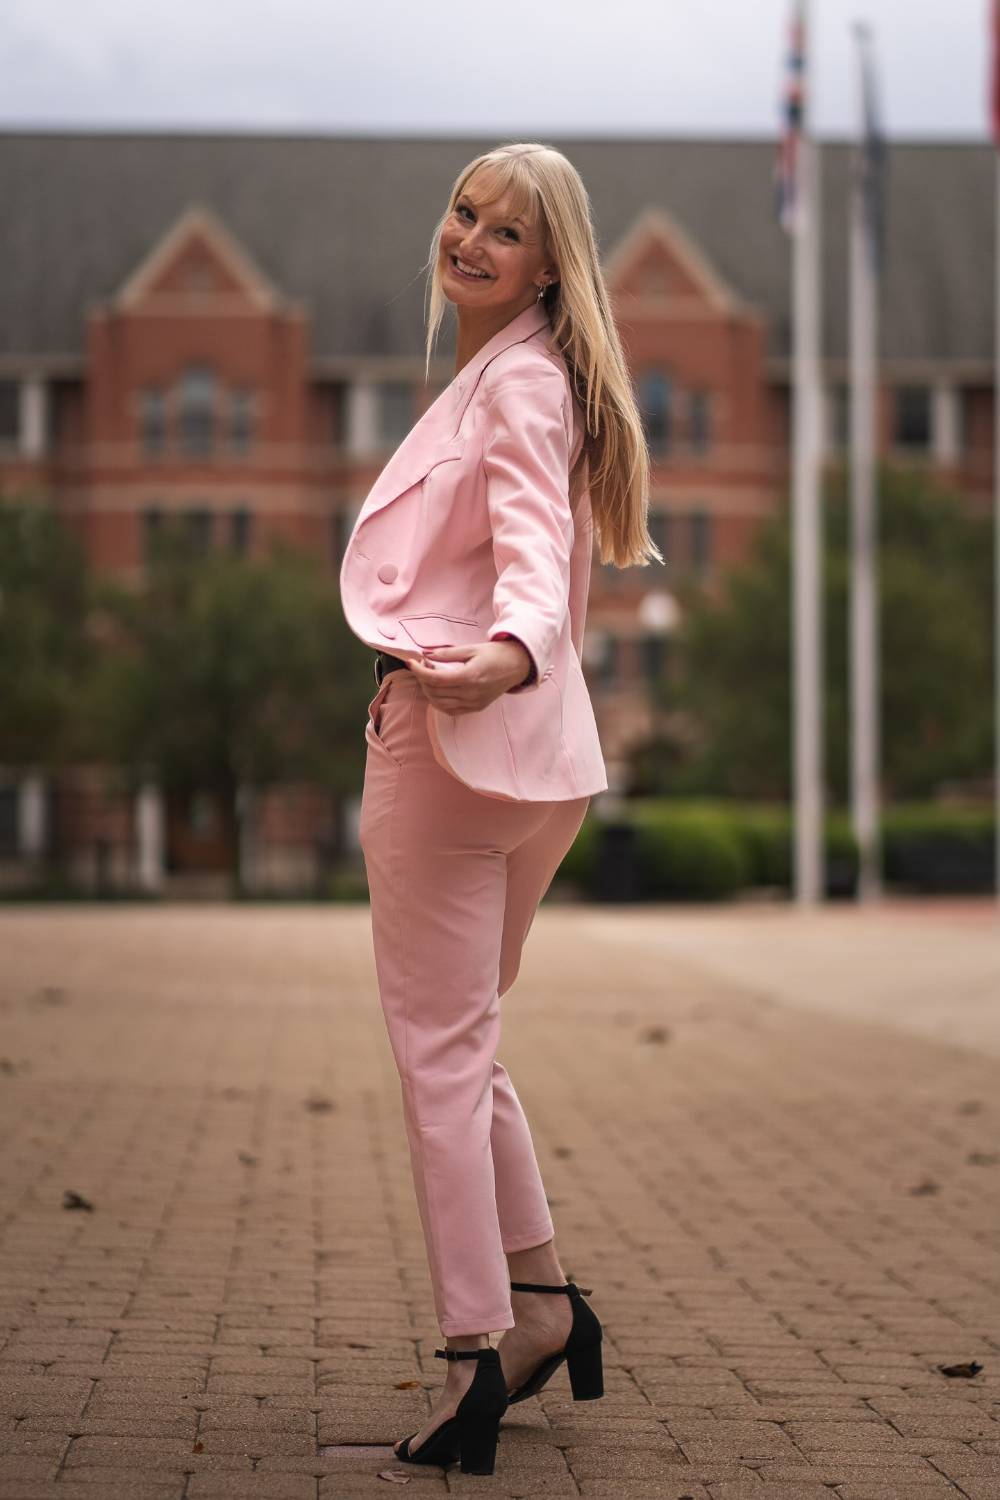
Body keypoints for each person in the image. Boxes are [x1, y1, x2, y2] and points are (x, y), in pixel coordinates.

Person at [339, 140, 659, 1476]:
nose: (469, 238)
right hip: (538, 771)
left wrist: (510, 652)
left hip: (461, 740)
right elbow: (538, 543)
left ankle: (476, 1349)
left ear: (547, 266)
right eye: (463, 212)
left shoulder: (517, 387)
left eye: (506, 231)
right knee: (468, 1044)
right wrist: (522, 660)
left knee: (437, 1056)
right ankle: (542, 1307)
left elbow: (535, 554)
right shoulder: (522, 375)